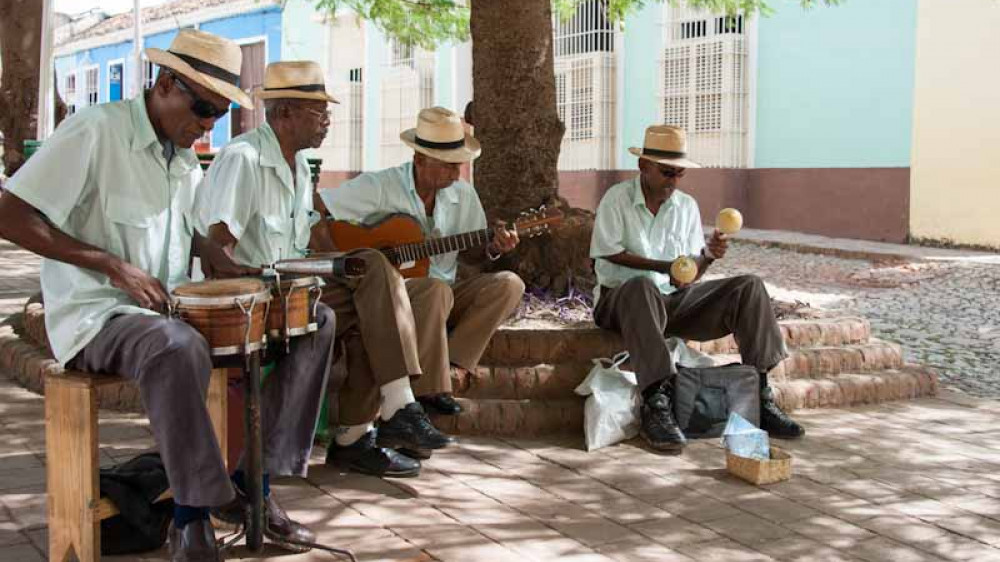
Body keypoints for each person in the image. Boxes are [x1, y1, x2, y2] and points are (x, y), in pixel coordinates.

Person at [0, 30, 320, 561]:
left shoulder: (184, 159)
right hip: (96, 317)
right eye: (203, 109)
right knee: (176, 347)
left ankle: (254, 486)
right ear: (166, 84)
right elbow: (10, 214)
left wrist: (226, 264)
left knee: (310, 321)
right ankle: (193, 519)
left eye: (218, 115)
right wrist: (110, 264)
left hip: (165, 312)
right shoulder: (96, 132)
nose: (207, 125)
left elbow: (192, 231)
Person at [199, 61, 450, 479]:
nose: (328, 120)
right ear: (283, 114)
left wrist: (351, 272)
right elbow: (216, 250)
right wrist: (260, 278)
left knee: (395, 292)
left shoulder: (298, 167)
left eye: (327, 111)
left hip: (299, 288)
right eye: (318, 111)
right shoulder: (243, 159)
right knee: (374, 276)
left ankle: (357, 434)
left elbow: (318, 238)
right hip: (257, 296)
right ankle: (395, 407)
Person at [316, 106, 524, 458]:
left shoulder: (463, 194)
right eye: (447, 164)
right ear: (420, 158)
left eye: (459, 162)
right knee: (434, 289)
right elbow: (319, 207)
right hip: (398, 295)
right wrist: (341, 263)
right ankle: (424, 399)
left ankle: (451, 372)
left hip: (442, 294)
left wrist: (491, 247)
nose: (456, 172)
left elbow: (470, 255)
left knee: (509, 284)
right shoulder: (380, 186)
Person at [589, 124, 804, 453]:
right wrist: (664, 267)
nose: (673, 181)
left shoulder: (685, 206)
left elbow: (688, 274)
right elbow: (608, 253)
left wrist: (707, 256)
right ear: (643, 167)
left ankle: (760, 393)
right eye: (666, 173)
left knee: (749, 287)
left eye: (679, 174)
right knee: (641, 288)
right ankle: (657, 402)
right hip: (622, 302)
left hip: (671, 303)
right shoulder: (616, 199)